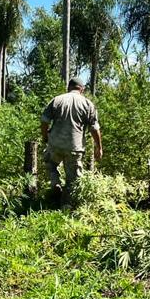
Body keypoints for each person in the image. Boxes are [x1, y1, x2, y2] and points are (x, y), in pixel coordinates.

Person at [41, 78, 103, 207]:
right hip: (75, 147)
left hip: (55, 144)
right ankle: (66, 208)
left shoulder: (57, 100)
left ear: (68, 87)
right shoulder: (88, 104)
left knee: (50, 163)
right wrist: (99, 147)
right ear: (82, 89)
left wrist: (45, 137)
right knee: (73, 180)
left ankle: (55, 183)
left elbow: (44, 120)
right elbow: (94, 128)